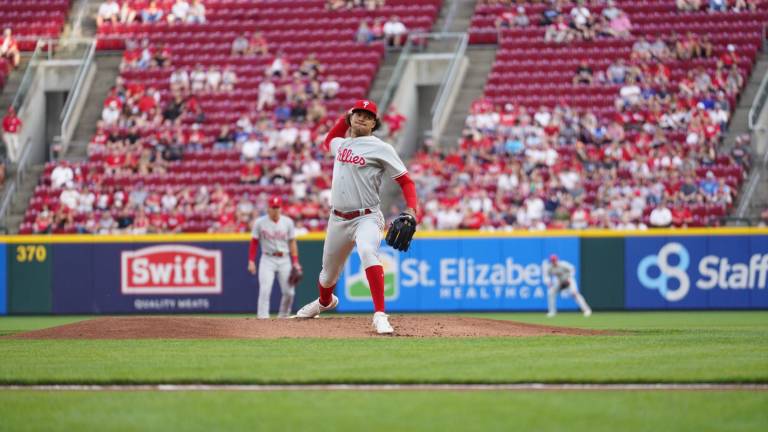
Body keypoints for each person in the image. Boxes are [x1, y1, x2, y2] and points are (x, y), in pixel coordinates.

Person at [293, 100, 420, 334]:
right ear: (350, 118)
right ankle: (324, 302)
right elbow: (328, 140)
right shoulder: (341, 145)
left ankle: (380, 315)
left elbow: (405, 181)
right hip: (338, 219)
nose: (362, 117)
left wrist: (412, 209)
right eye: (358, 114)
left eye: (367, 115)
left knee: (367, 252)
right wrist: (344, 119)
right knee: (327, 275)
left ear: (374, 123)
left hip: (367, 217)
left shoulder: (381, 148)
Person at [248, 195, 302, 319]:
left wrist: (295, 262)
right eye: (273, 207)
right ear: (268, 208)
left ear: (281, 208)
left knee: (289, 292)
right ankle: (262, 318)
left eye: (277, 207)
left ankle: (283, 316)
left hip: (284, 259)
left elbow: (292, 242)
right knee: (265, 290)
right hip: (267, 259)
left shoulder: (287, 222)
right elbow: (254, 242)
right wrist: (251, 261)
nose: (276, 209)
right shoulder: (259, 223)